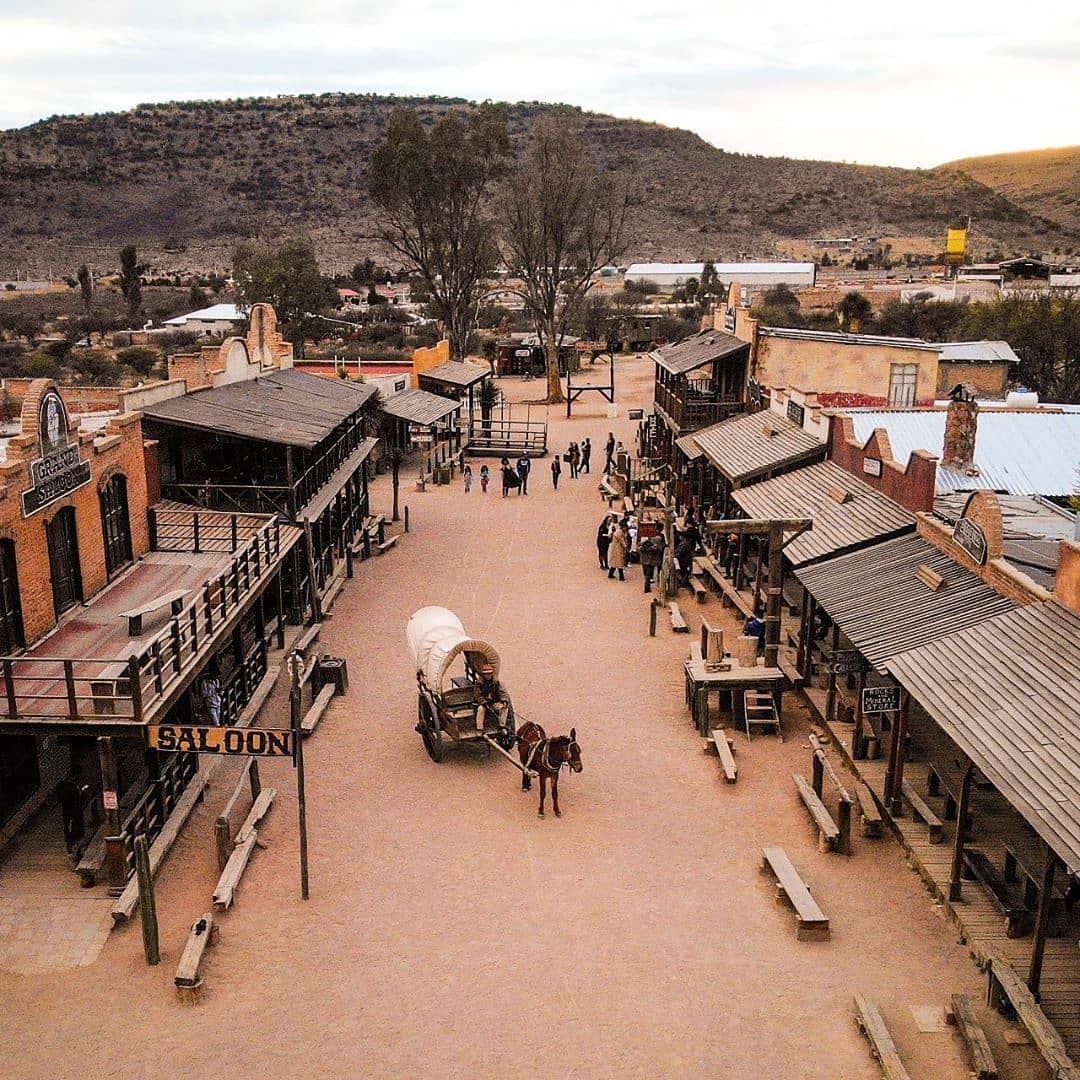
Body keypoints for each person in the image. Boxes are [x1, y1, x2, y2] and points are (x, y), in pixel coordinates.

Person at [639, 528, 665, 593]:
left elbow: (640, 549)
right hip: (650, 561)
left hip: (646, 560)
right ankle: (647, 586)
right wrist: (652, 548)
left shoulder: (646, 541)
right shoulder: (658, 541)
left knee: (646, 575)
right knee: (647, 575)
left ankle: (647, 586)